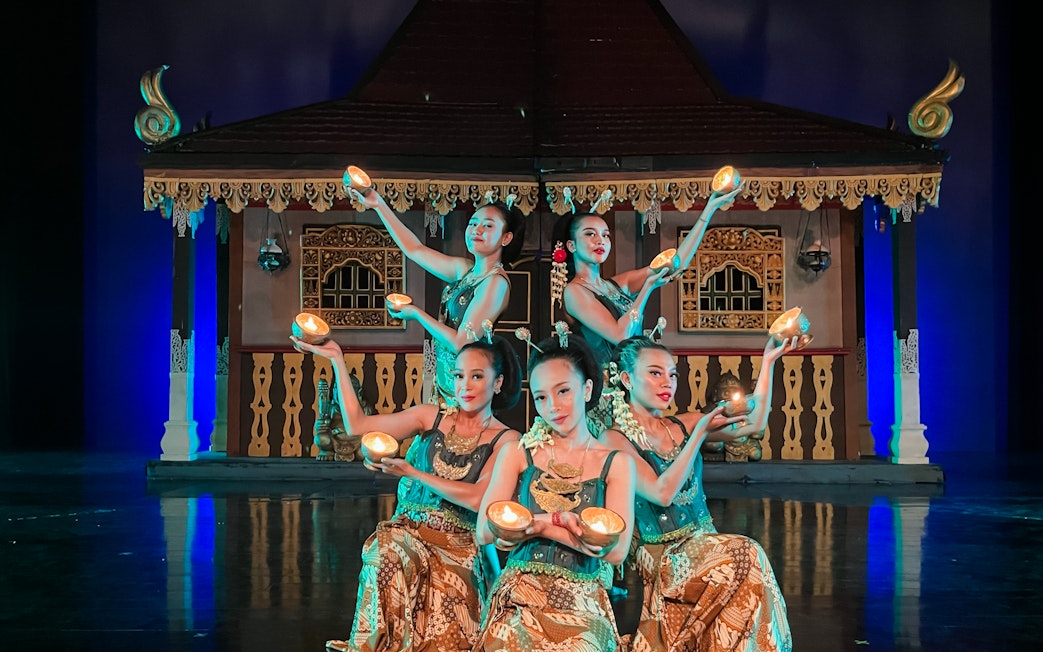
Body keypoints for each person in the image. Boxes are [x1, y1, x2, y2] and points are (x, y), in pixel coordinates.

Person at [290, 332, 523, 652]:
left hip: (459, 543)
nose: (464, 386)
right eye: (458, 375)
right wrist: (337, 361)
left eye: (477, 376)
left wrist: (413, 472)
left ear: (498, 383)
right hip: (409, 530)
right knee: (383, 549)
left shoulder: (507, 440)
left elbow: (478, 498)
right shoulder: (431, 417)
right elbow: (359, 426)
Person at [600, 334, 796, 652]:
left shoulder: (684, 423)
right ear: (626, 379)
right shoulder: (613, 439)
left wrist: (769, 361)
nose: (667, 382)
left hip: (706, 543)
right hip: (663, 555)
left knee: (748, 568)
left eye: (672, 374)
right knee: (747, 551)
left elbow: (755, 421)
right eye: (655, 373)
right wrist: (699, 435)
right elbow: (661, 493)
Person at [473, 326, 637, 651]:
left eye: (563, 391)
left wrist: (537, 526)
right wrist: (557, 525)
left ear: (587, 389)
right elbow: (484, 531)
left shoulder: (616, 462)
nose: (553, 407)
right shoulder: (518, 453)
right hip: (521, 589)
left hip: (585, 593)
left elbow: (617, 552)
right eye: (541, 397)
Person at [350, 185, 526, 406]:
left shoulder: (496, 283)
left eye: (487, 226)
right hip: (444, 381)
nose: (476, 230)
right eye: (472, 223)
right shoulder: (465, 270)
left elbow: (461, 342)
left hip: (466, 389)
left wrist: (416, 314)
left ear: (506, 237)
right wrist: (378, 205)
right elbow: (414, 249)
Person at [550, 183, 743, 368]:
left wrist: (709, 209)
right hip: (606, 391)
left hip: (634, 381)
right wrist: (648, 287)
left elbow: (674, 264)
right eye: (590, 234)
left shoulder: (616, 285)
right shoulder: (574, 292)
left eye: (606, 235)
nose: (601, 240)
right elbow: (621, 336)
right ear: (571, 245)